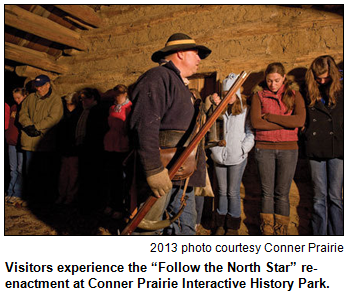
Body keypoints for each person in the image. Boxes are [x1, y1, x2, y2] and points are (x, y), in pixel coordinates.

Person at [129, 33, 211, 235]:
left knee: (184, 228)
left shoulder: (179, 84)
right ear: (181, 53)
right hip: (163, 171)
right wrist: (153, 169)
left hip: (181, 170)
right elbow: (144, 125)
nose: (200, 59)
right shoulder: (157, 77)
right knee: (148, 230)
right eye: (196, 53)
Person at [250, 62, 306, 235]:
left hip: (289, 149)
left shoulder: (294, 95)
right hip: (264, 148)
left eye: (276, 80)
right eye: (269, 80)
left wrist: (271, 117)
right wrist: (286, 124)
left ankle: (281, 232)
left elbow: (299, 121)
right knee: (267, 193)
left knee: (282, 193)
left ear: (283, 78)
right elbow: (256, 123)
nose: (272, 84)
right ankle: (266, 230)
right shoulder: (258, 96)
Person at [209, 73, 255, 235]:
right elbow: (211, 132)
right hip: (219, 156)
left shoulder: (244, 110)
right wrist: (215, 150)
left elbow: (250, 131)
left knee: (233, 191)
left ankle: (233, 225)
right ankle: (220, 223)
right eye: (224, 94)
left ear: (235, 93)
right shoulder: (217, 111)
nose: (227, 97)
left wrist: (243, 148)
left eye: (230, 94)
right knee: (221, 190)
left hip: (237, 156)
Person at [304, 55, 343, 235]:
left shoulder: (342, 89)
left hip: (338, 148)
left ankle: (337, 237)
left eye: (325, 77)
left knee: (335, 197)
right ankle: (319, 237)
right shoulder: (310, 90)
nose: (321, 81)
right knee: (319, 197)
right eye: (318, 77)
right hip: (315, 148)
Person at [19, 75, 63, 201]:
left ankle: (44, 197)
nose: (39, 89)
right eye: (37, 86)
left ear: (48, 85)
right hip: (29, 141)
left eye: (41, 86)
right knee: (28, 171)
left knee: (44, 171)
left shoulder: (55, 100)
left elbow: (54, 117)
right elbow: (22, 113)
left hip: (44, 142)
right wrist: (28, 126)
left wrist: (36, 127)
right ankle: (31, 196)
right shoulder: (30, 98)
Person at [76, 88, 109, 210]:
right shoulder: (84, 111)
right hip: (85, 147)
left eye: (86, 98)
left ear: (93, 98)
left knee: (93, 176)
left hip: (94, 149)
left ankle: (93, 202)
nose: (83, 101)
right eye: (81, 99)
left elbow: (97, 131)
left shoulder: (97, 111)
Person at [103, 84, 132, 218]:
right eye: (115, 95)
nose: (117, 97)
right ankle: (112, 203)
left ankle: (120, 206)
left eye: (119, 94)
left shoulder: (130, 108)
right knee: (111, 176)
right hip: (111, 145)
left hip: (123, 147)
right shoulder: (111, 108)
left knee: (122, 179)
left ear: (125, 94)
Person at [56, 92, 82, 205]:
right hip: (64, 147)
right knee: (63, 174)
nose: (69, 106)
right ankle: (62, 195)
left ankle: (71, 196)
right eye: (67, 104)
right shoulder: (63, 112)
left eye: (71, 104)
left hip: (75, 148)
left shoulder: (79, 114)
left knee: (73, 174)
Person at [5, 88, 28, 204]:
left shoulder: (27, 107)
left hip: (20, 143)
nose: (16, 100)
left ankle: (17, 193)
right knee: (12, 169)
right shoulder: (13, 107)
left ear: (25, 96)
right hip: (11, 142)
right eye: (15, 98)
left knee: (20, 169)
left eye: (18, 97)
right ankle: (10, 192)